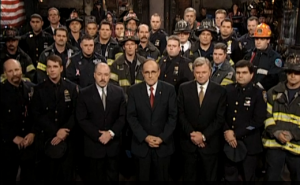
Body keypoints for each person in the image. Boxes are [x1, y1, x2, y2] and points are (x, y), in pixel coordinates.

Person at [127, 59, 177, 181]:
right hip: (141, 147)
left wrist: (161, 138)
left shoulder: (169, 90)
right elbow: (131, 117)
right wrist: (145, 137)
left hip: (163, 148)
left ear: (159, 72)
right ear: (142, 73)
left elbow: (173, 117)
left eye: (153, 72)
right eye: (147, 72)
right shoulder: (133, 90)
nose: (150, 75)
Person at [178, 57, 226, 183]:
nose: (200, 75)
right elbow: (180, 114)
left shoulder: (220, 91)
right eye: (197, 72)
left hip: (210, 146)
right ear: (193, 72)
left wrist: (203, 136)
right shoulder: (183, 88)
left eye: (203, 72)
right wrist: (193, 135)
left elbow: (219, 118)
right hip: (189, 145)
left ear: (210, 72)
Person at [31, 55, 78, 182]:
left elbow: (75, 112)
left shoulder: (72, 88)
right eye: (49, 67)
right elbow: (36, 114)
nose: (52, 70)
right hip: (48, 139)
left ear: (61, 68)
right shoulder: (38, 89)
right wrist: (55, 132)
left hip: (67, 140)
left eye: (55, 67)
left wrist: (65, 130)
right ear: (46, 69)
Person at [76, 62, 126, 181]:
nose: (103, 78)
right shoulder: (84, 93)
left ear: (110, 76)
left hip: (113, 148)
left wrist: (111, 133)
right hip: (93, 147)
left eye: (106, 74)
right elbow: (82, 119)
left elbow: (122, 116)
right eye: (99, 74)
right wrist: (99, 135)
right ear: (94, 75)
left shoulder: (119, 92)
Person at [224, 60, 266, 183]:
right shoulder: (228, 90)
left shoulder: (258, 93)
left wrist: (234, 134)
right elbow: (220, 114)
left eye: (244, 73)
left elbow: (258, 120)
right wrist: (227, 130)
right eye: (238, 73)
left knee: (248, 178)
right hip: (228, 143)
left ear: (251, 74)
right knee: (229, 178)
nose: (240, 76)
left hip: (249, 145)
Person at [263, 53, 300, 182]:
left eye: (297, 73)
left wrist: (293, 134)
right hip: (274, 145)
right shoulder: (273, 92)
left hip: (297, 147)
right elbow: (267, 116)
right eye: (290, 72)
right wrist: (276, 132)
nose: (293, 76)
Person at [0, 59, 36, 184]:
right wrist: (13, 137)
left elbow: (37, 115)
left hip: (29, 145)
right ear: (4, 73)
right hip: (8, 147)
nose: (14, 73)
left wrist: (32, 133)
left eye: (16, 70)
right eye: (10, 71)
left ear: (21, 70)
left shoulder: (31, 88)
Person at [244, 23, 283, 91]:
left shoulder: (275, 58)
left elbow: (274, 78)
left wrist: (258, 87)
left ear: (268, 40)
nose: (258, 42)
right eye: (256, 39)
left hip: (265, 93)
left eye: (262, 39)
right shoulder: (250, 55)